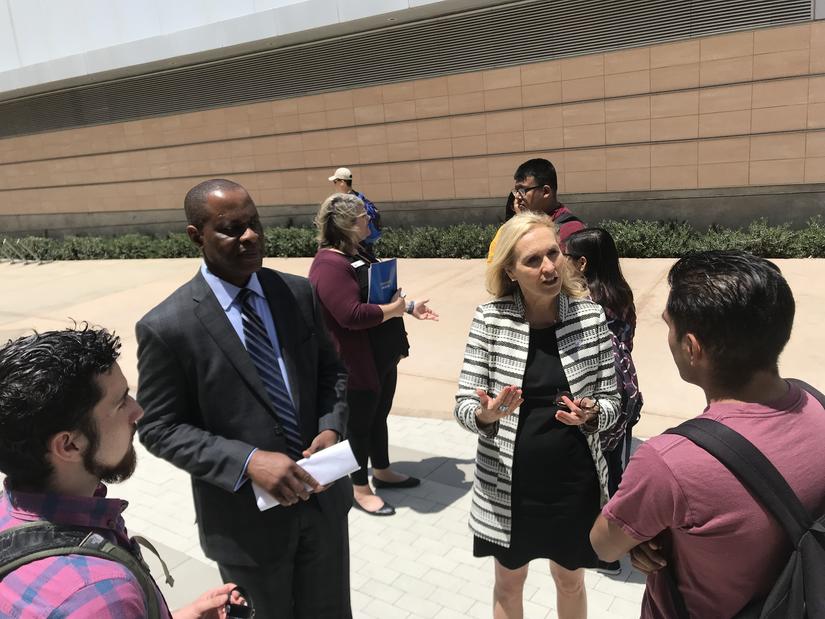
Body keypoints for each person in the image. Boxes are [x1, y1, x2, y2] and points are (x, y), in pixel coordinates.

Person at [136, 179, 352, 618]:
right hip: (247, 529)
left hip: (323, 506)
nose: (250, 236)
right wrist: (247, 461)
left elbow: (331, 372)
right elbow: (158, 428)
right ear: (196, 236)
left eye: (254, 223)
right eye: (232, 229)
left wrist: (331, 426)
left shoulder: (297, 293)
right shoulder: (168, 327)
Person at [589, 251, 825, 618]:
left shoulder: (670, 462)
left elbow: (604, 545)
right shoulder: (817, 405)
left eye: (669, 326)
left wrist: (647, 536)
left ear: (691, 348)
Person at [0, 326, 244, 618]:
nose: (137, 411)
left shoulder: (9, 514)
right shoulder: (98, 596)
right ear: (69, 445)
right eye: (121, 402)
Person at [455, 212, 619, 618]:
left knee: (570, 580)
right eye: (532, 260)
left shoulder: (590, 317)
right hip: (507, 484)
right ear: (510, 270)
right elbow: (463, 405)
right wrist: (486, 415)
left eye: (553, 254)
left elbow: (613, 402)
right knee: (509, 584)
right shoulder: (489, 320)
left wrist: (592, 414)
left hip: (573, 483)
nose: (549, 267)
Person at [309, 193, 438, 515]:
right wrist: (394, 309)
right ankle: (359, 487)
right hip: (356, 364)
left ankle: (381, 470)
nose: (370, 220)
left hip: (381, 356)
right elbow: (350, 315)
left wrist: (407, 307)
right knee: (359, 425)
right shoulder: (329, 265)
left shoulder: (358, 252)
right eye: (365, 217)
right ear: (348, 224)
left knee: (378, 416)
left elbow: (375, 296)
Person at [487, 158, 585, 263]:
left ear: (545, 192)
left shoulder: (570, 230)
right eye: (516, 191)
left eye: (523, 190)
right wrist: (521, 221)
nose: (518, 197)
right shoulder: (516, 224)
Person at [329, 166, 381, 257]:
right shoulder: (359, 196)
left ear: (342, 182)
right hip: (366, 240)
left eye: (335, 181)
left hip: (356, 243)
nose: (334, 184)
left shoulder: (346, 202)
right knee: (368, 261)